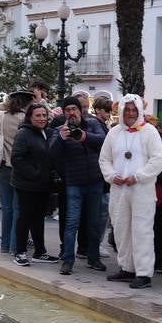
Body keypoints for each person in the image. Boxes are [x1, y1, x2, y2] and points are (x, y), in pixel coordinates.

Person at [98, 94, 162, 289]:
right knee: (121, 228)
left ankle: (143, 273)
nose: (130, 113)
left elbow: (158, 160)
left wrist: (139, 176)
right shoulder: (114, 133)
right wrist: (112, 176)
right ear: (121, 111)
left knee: (141, 231)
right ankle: (126, 267)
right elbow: (104, 159)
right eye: (127, 110)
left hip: (141, 190)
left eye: (134, 110)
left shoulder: (149, 132)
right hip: (119, 189)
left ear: (140, 111)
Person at [50, 96, 107, 273]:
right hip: (74, 183)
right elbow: (51, 154)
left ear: (79, 110)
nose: (71, 113)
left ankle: (93, 257)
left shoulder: (93, 124)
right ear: (65, 113)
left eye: (74, 109)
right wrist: (61, 138)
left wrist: (84, 137)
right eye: (68, 110)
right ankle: (67, 259)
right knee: (72, 222)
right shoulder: (59, 130)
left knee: (94, 222)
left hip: (95, 182)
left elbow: (104, 141)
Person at [9, 101, 59, 266]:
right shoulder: (23, 134)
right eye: (38, 115)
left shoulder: (46, 133)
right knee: (25, 218)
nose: (42, 118)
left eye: (44, 115)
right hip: (26, 184)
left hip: (42, 185)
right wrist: (35, 174)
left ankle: (40, 251)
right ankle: (20, 252)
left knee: (38, 218)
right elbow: (16, 158)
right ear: (30, 117)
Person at [0, 90, 33, 252]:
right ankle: (16, 246)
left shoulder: (1, 117)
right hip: (20, 169)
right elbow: (48, 118)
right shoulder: (25, 119)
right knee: (18, 209)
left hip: (3, 168)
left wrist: (7, 99)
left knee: (7, 208)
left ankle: (5, 244)